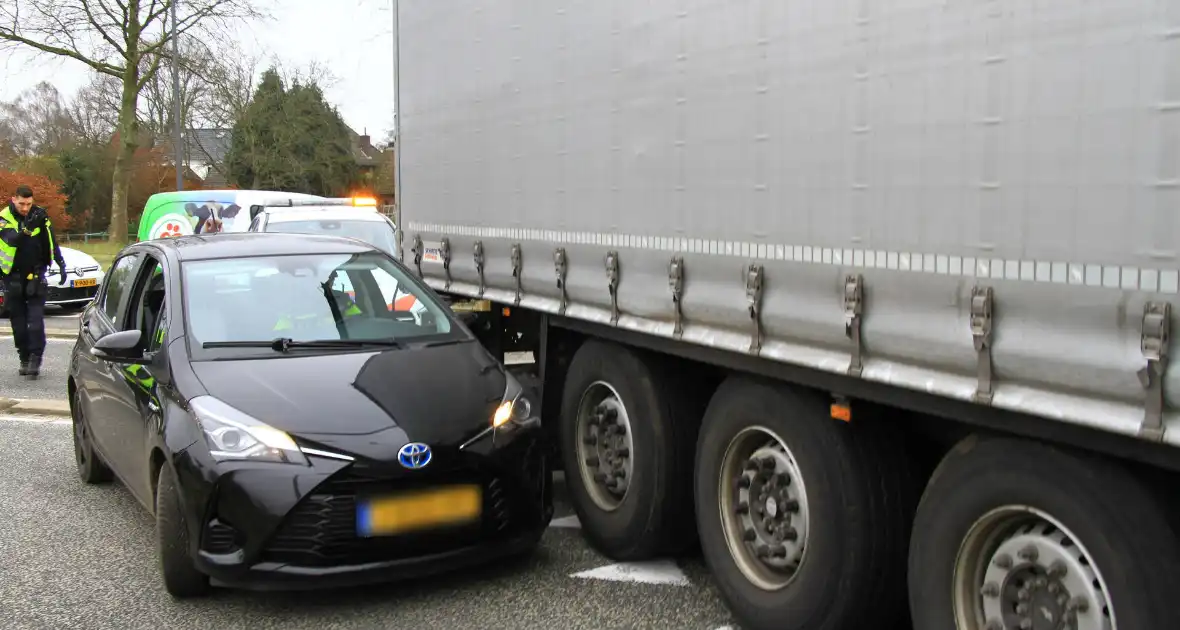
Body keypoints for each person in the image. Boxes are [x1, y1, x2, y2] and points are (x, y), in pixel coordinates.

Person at [0, 185, 66, 378]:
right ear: (13, 199)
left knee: (36, 322)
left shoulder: (39, 216)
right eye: (21, 203)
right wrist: (28, 229)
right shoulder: (4, 218)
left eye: (29, 203)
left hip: (36, 275)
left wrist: (60, 262)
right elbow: (12, 240)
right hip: (13, 277)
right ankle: (24, 358)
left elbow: (50, 240)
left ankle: (36, 359)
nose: (25, 208)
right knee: (18, 324)